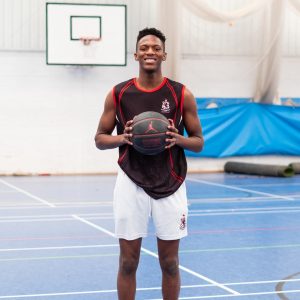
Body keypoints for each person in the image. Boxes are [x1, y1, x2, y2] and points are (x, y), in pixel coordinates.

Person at [95, 27, 204, 300]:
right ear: (136, 54)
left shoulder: (181, 94)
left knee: (170, 263)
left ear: (164, 55)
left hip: (171, 181)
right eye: (144, 48)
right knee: (128, 262)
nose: (150, 52)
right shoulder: (119, 93)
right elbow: (99, 139)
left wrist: (178, 139)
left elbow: (199, 142)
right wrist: (124, 136)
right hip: (130, 182)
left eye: (156, 48)